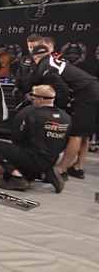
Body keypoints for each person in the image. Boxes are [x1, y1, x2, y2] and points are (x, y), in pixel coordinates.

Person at [31, 44, 99, 180]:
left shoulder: (46, 67)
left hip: (86, 94)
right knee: (84, 134)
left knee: (75, 134)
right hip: (94, 90)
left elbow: (62, 90)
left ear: (35, 58)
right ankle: (78, 168)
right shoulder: (54, 61)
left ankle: (61, 170)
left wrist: (57, 107)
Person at [0, 84, 71, 192]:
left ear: (41, 99)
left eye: (33, 97)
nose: (31, 100)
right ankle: (47, 174)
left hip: (32, 159)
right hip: (51, 160)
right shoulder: (66, 117)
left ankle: (18, 178)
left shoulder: (31, 113)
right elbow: (65, 142)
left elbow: (17, 138)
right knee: (10, 172)